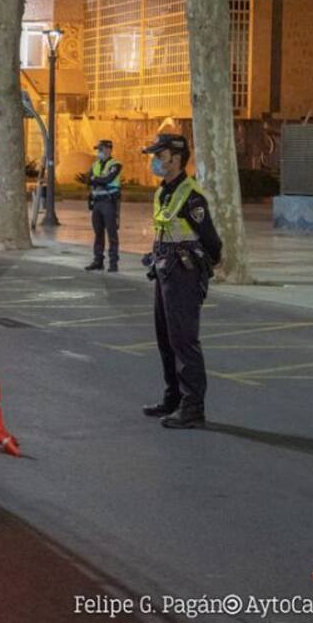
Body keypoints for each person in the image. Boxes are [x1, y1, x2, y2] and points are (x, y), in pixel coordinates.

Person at [139, 133, 223, 430]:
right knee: (166, 339)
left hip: (183, 273)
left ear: (175, 159)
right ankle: (173, 398)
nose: (154, 161)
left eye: (159, 156)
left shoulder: (191, 195)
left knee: (184, 340)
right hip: (165, 269)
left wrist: (198, 268)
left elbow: (213, 243)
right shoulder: (164, 192)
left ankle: (193, 408)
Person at [84, 139, 122, 272]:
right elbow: (87, 179)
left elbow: (108, 179)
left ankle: (113, 263)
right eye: (98, 150)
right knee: (98, 233)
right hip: (97, 202)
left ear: (108, 149)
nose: (98, 152)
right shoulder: (95, 164)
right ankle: (98, 261)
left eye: (101, 149)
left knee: (112, 233)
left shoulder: (116, 164)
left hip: (109, 202)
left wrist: (96, 179)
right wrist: (98, 180)